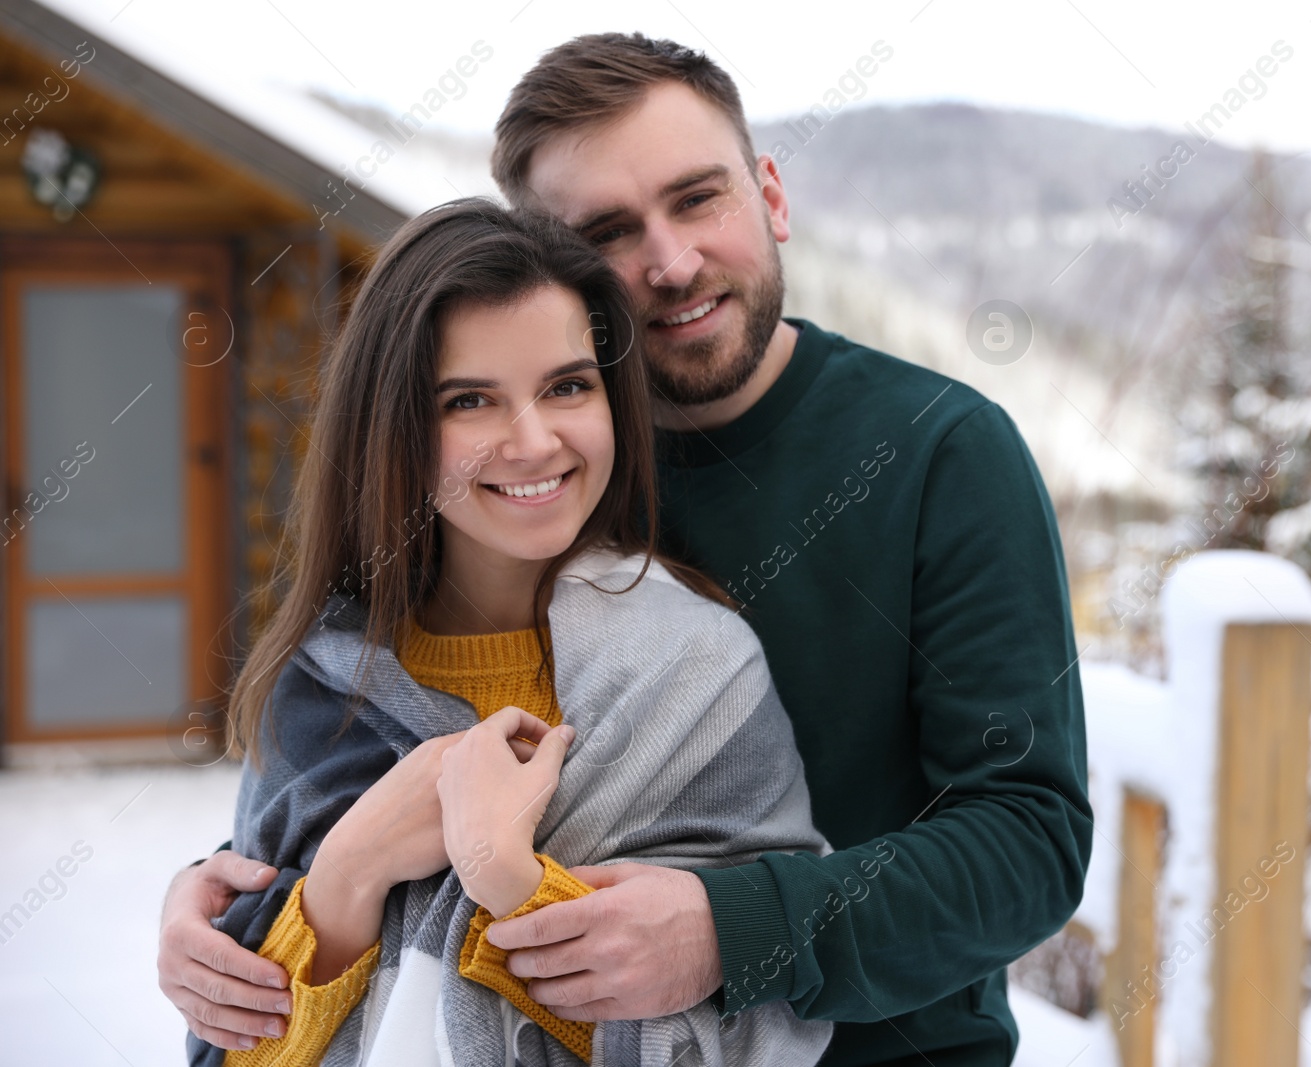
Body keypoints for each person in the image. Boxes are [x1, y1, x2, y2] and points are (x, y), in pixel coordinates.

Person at [160, 33, 1093, 1067]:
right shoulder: (515, 490)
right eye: (608, 229)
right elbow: (383, 752)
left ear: (769, 193)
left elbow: (1027, 841)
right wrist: (241, 889)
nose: (672, 260)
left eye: (699, 198)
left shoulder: (939, 452)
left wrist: (727, 926)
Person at [185, 198, 833, 1067]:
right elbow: (234, 1044)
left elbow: (761, 1033)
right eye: (470, 400)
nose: (532, 442)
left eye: (567, 385)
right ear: (398, 430)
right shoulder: (321, 684)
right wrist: (346, 876)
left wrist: (509, 881)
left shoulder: (699, 671)